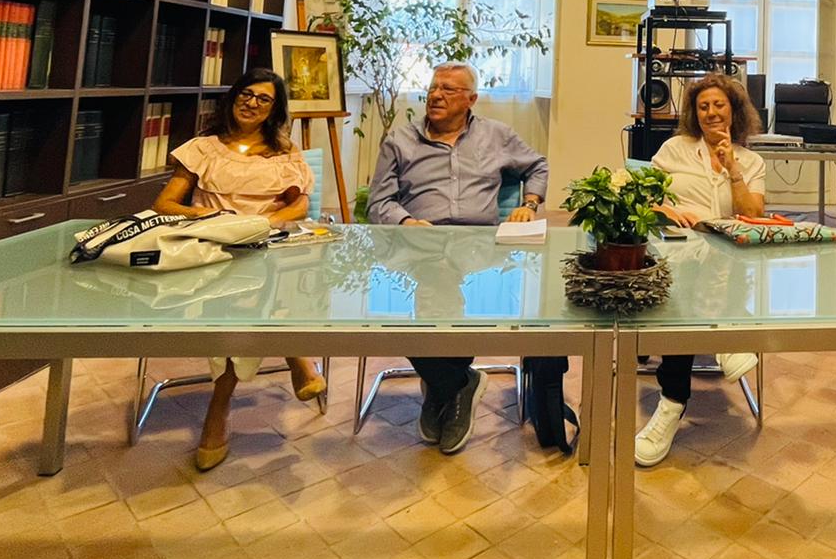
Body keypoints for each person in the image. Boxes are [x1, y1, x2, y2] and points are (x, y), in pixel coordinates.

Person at [365, 62, 550, 455]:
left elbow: (537, 165)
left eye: (449, 90)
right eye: (434, 87)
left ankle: (441, 389)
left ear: (471, 100)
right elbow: (378, 201)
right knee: (396, 314)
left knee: (461, 305)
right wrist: (406, 221)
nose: (436, 95)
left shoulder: (497, 135)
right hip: (418, 245)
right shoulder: (400, 140)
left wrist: (530, 203)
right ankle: (460, 383)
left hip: (477, 247)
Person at [151, 68, 323, 472]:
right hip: (214, 246)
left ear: (274, 110)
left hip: (266, 241)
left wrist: (268, 223)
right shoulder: (204, 148)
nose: (252, 103)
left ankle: (220, 407)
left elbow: (299, 205)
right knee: (241, 292)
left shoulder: (284, 153)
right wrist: (209, 217)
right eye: (246, 94)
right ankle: (295, 356)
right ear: (233, 97)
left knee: (257, 282)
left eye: (263, 99)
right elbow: (164, 204)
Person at [634, 73, 764, 467]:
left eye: (718, 105)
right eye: (703, 106)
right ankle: (725, 338)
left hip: (727, 255)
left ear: (733, 110)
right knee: (685, 283)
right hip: (676, 249)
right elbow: (641, 196)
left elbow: (753, 214)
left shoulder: (751, 160)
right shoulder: (674, 149)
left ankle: (672, 403)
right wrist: (664, 208)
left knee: (691, 292)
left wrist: (732, 167)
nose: (710, 113)